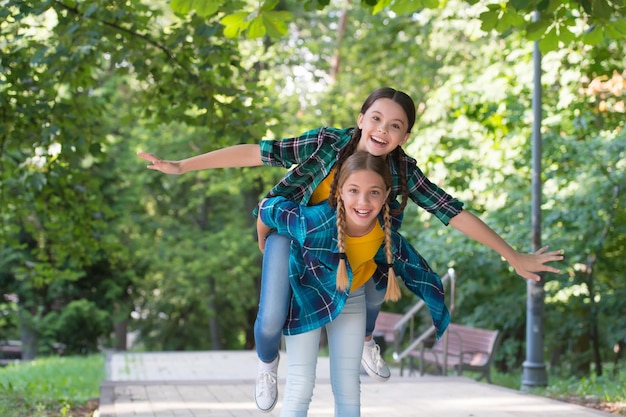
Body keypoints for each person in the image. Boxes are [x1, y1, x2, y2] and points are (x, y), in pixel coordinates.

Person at [137, 87, 564, 412]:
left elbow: (449, 211)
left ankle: (364, 337)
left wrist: (512, 254)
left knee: (387, 268)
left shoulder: (402, 171)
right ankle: (267, 366)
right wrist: (182, 166)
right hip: (295, 238)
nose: (383, 130)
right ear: (361, 119)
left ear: (405, 135)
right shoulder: (326, 144)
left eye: (395, 125)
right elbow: (258, 152)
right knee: (269, 320)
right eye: (376, 118)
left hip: (355, 253)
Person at [257, 151, 447, 417]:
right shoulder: (312, 223)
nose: (363, 201)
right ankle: (266, 364)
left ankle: (367, 344)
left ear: (385, 196)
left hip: (351, 295)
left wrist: (439, 311)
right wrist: (263, 242)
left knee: (348, 387)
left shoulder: (384, 234)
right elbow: (269, 208)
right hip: (306, 296)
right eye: (354, 190)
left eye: (374, 193)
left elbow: (418, 270)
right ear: (340, 192)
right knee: (300, 386)